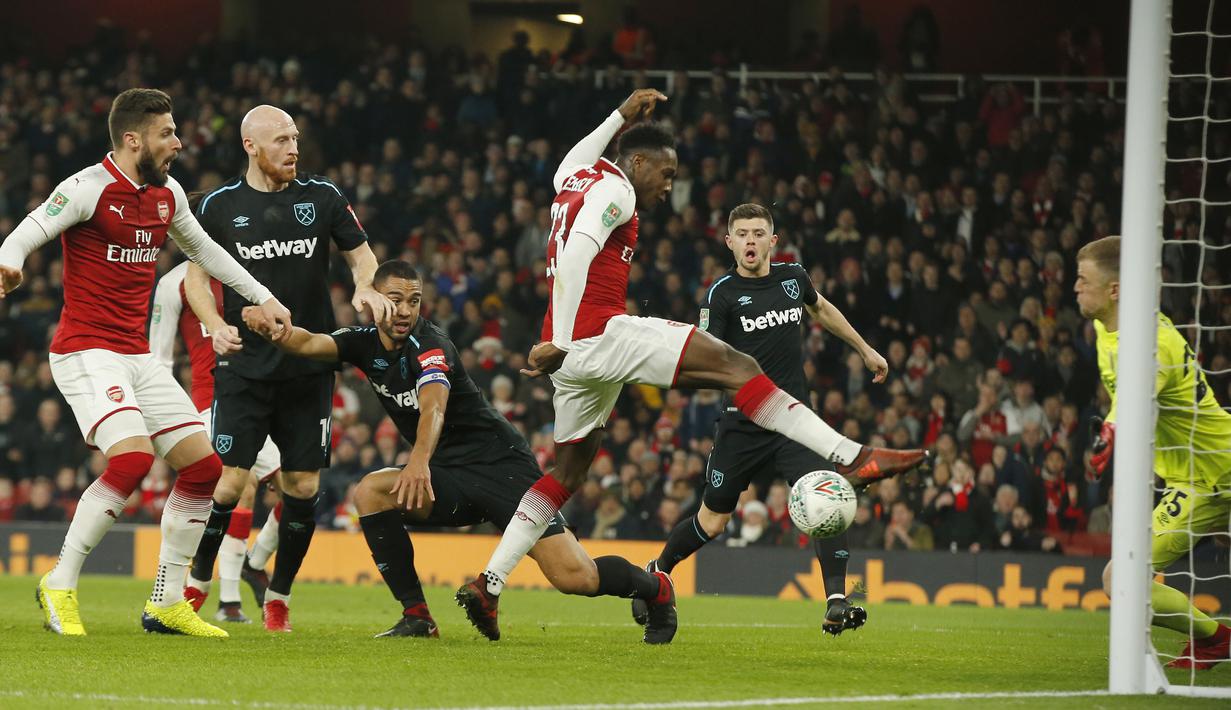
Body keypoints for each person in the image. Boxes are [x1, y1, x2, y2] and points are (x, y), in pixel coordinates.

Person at [455, 89, 927, 645]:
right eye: (667, 172)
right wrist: (559, 338)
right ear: (637, 162)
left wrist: (618, 116)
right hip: (598, 335)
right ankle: (854, 457)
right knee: (737, 364)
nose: (669, 185)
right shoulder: (615, 191)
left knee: (568, 472)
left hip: (573, 360)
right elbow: (581, 248)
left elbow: (573, 163)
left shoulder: (575, 176)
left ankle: (490, 583)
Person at [242, 261, 672, 639]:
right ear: (374, 300)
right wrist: (274, 330)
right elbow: (308, 343)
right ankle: (417, 617)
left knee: (575, 576)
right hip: (449, 477)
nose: (406, 309)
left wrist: (417, 461)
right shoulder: (361, 342)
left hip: (503, 469)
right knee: (370, 493)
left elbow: (434, 408)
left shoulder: (431, 346)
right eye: (396, 298)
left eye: (414, 300)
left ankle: (656, 589)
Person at [0, 88, 291, 637]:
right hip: (86, 350)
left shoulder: (168, 193)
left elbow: (204, 251)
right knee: (131, 460)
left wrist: (262, 296)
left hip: (136, 355)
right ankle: (59, 583)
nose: (178, 143)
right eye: (167, 134)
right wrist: (10, 264)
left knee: (204, 469)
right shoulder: (87, 188)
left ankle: (165, 600)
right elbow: (26, 232)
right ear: (133, 140)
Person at [632, 203, 923, 637]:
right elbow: (708, 356)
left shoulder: (793, 279)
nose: (750, 240)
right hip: (742, 423)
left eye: (758, 233)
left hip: (793, 424)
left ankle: (837, 602)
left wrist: (865, 350)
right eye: (742, 234)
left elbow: (822, 310)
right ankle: (659, 570)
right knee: (713, 521)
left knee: (827, 498)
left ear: (773, 241)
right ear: (729, 243)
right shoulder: (721, 295)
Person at [180, 105, 392, 632]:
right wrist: (214, 325)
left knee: (300, 487)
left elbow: (361, 255)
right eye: (280, 140)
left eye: (295, 138)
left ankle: (278, 597)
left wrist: (366, 284)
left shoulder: (322, 197)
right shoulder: (217, 205)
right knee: (229, 485)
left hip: (308, 364)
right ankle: (197, 584)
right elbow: (195, 280)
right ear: (250, 145)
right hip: (244, 368)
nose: (292, 148)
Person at [1076, 235, 1231, 670]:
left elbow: (1137, 391)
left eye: (1083, 279)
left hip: (1222, 469)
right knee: (1119, 577)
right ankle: (1217, 638)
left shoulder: (1153, 341)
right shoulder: (1104, 329)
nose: (1074, 287)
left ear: (1115, 289)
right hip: (1193, 483)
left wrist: (1110, 429)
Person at [149, 258, 282, 623]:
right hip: (211, 402)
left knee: (297, 491)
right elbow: (158, 361)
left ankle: (250, 568)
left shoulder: (249, 272)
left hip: (262, 398)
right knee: (233, 487)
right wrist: (175, 419)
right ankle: (211, 597)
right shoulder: (174, 284)